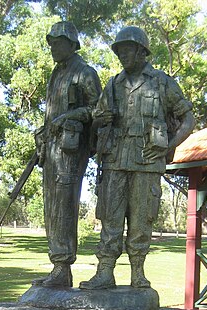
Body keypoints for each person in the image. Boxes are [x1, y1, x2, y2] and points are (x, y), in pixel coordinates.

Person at [80, 26, 195, 290]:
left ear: (142, 51)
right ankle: (105, 272)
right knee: (110, 218)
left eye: (127, 49)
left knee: (142, 221)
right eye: (119, 50)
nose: (122, 55)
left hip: (147, 163)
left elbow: (189, 119)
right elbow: (95, 123)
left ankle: (138, 274)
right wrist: (100, 121)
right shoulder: (112, 84)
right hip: (114, 161)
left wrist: (168, 148)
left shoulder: (162, 82)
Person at [33, 22, 101, 288]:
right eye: (51, 43)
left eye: (58, 43)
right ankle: (57, 267)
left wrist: (70, 116)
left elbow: (99, 110)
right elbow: (52, 114)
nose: (53, 48)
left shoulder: (84, 73)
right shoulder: (56, 74)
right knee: (51, 205)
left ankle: (63, 266)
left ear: (72, 45)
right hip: (51, 148)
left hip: (71, 150)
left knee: (63, 205)